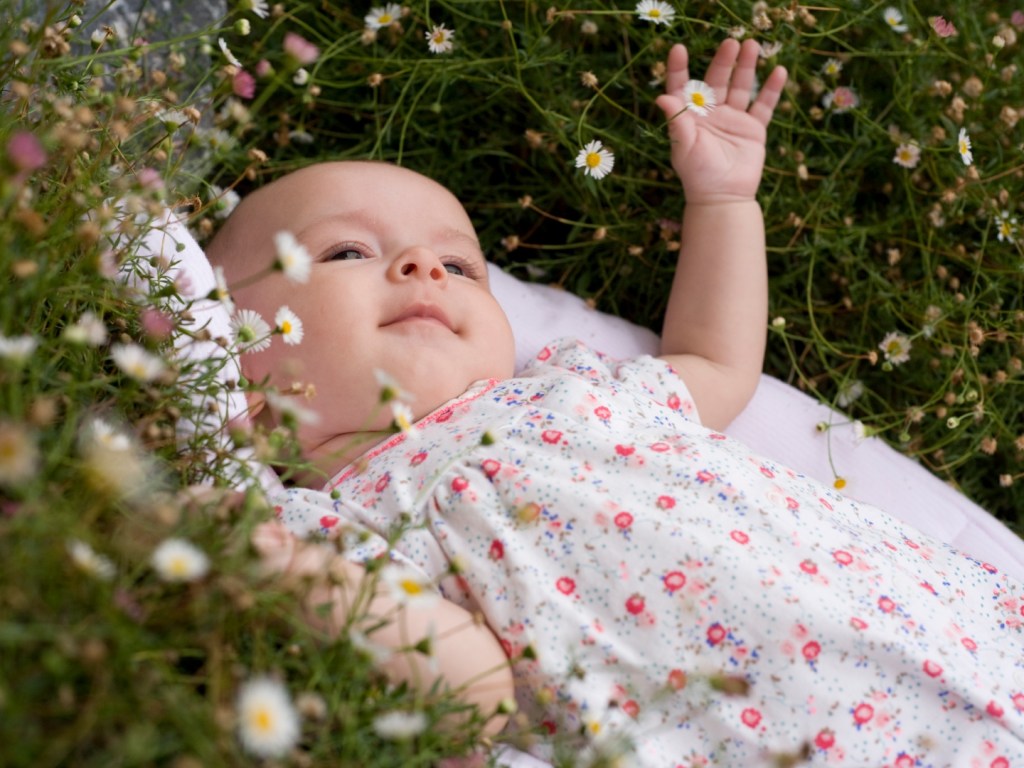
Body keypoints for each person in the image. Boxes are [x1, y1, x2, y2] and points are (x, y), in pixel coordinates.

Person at [209, 39, 1024, 766]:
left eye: (462, 268)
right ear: (233, 347)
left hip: (962, 635)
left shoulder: (573, 392)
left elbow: (715, 360)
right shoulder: (336, 522)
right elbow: (474, 686)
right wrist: (280, 567)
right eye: (347, 251)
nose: (425, 265)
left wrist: (724, 202)